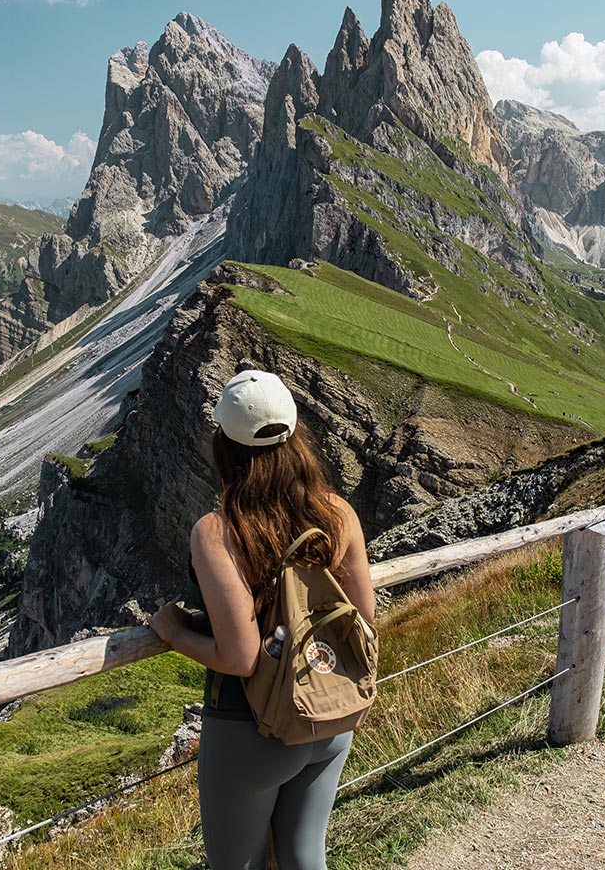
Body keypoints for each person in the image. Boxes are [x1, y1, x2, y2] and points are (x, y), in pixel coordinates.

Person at [148, 369, 375, 870]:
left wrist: (173, 631)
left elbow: (241, 655)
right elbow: (364, 615)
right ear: (297, 437)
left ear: (223, 445)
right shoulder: (338, 512)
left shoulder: (219, 532)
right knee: (303, 856)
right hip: (329, 709)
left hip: (249, 728)